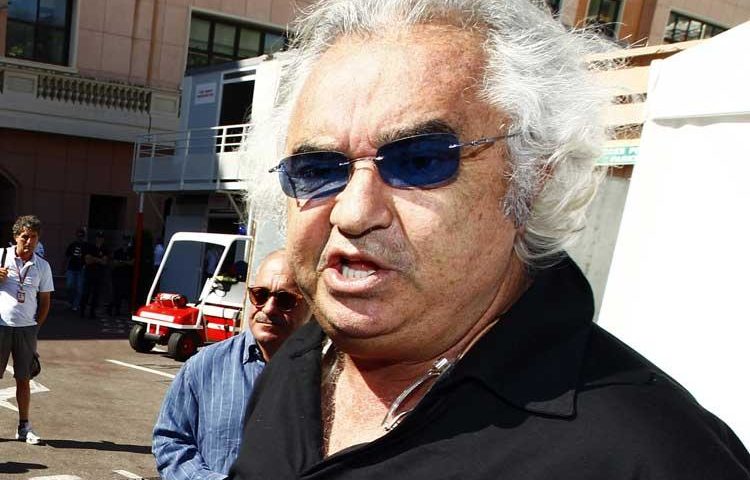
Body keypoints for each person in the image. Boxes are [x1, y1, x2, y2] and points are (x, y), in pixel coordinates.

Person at [229, 1, 750, 479]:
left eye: (420, 160)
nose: (354, 211)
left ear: (532, 177)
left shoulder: (656, 456)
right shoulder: (296, 362)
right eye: (318, 169)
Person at [153, 250, 311, 479]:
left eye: (285, 300)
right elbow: (170, 441)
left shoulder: (329, 376)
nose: (268, 308)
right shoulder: (204, 367)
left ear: (310, 306)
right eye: (260, 295)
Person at [0, 215, 54, 445]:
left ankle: (24, 427)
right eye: (24, 236)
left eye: (33, 237)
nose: (29, 241)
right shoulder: (1, 256)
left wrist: (35, 328)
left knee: (24, 379)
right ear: (15, 237)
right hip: (0, 327)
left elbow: (45, 301)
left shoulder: (42, 266)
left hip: (26, 330)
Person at [80, 231, 109, 319]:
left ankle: (92, 312)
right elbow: (87, 260)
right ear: (96, 238)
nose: (100, 239)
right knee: (86, 293)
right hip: (89, 273)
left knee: (96, 294)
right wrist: (99, 259)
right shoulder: (90, 247)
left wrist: (94, 259)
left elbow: (104, 262)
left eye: (101, 238)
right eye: (98, 237)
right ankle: (82, 310)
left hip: (99, 274)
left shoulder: (105, 249)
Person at [108, 234, 134, 317]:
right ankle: (115, 310)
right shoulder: (118, 252)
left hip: (127, 276)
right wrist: (125, 262)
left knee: (126, 294)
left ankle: (126, 310)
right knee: (116, 293)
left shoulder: (131, 252)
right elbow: (115, 263)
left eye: (127, 240)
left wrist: (121, 262)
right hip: (117, 275)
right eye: (124, 240)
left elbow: (132, 263)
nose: (125, 242)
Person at [64, 227, 87, 311]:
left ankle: (76, 304)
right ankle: (70, 301)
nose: (80, 238)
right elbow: (67, 256)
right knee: (69, 286)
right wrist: (64, 267)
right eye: (79, 236)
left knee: (79, 288)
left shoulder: (86, 246)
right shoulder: (72, 245)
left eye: (82, 236)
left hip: (81, 268)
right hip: (71, 268)